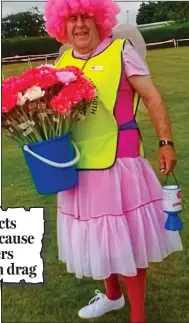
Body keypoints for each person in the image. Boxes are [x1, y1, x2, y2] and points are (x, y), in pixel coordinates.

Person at [44, 0, 183, 322]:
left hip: (120, 162)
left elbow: (151, 97)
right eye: (72, 18)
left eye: (86, 17)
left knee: (126, 240)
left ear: (100, 20)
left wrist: (165, 142)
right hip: (77, 165)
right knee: (96, 236)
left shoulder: (121, 51)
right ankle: (112, 296)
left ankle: (138, 317)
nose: (79, 25)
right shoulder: (63, 60)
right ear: (61, 25)